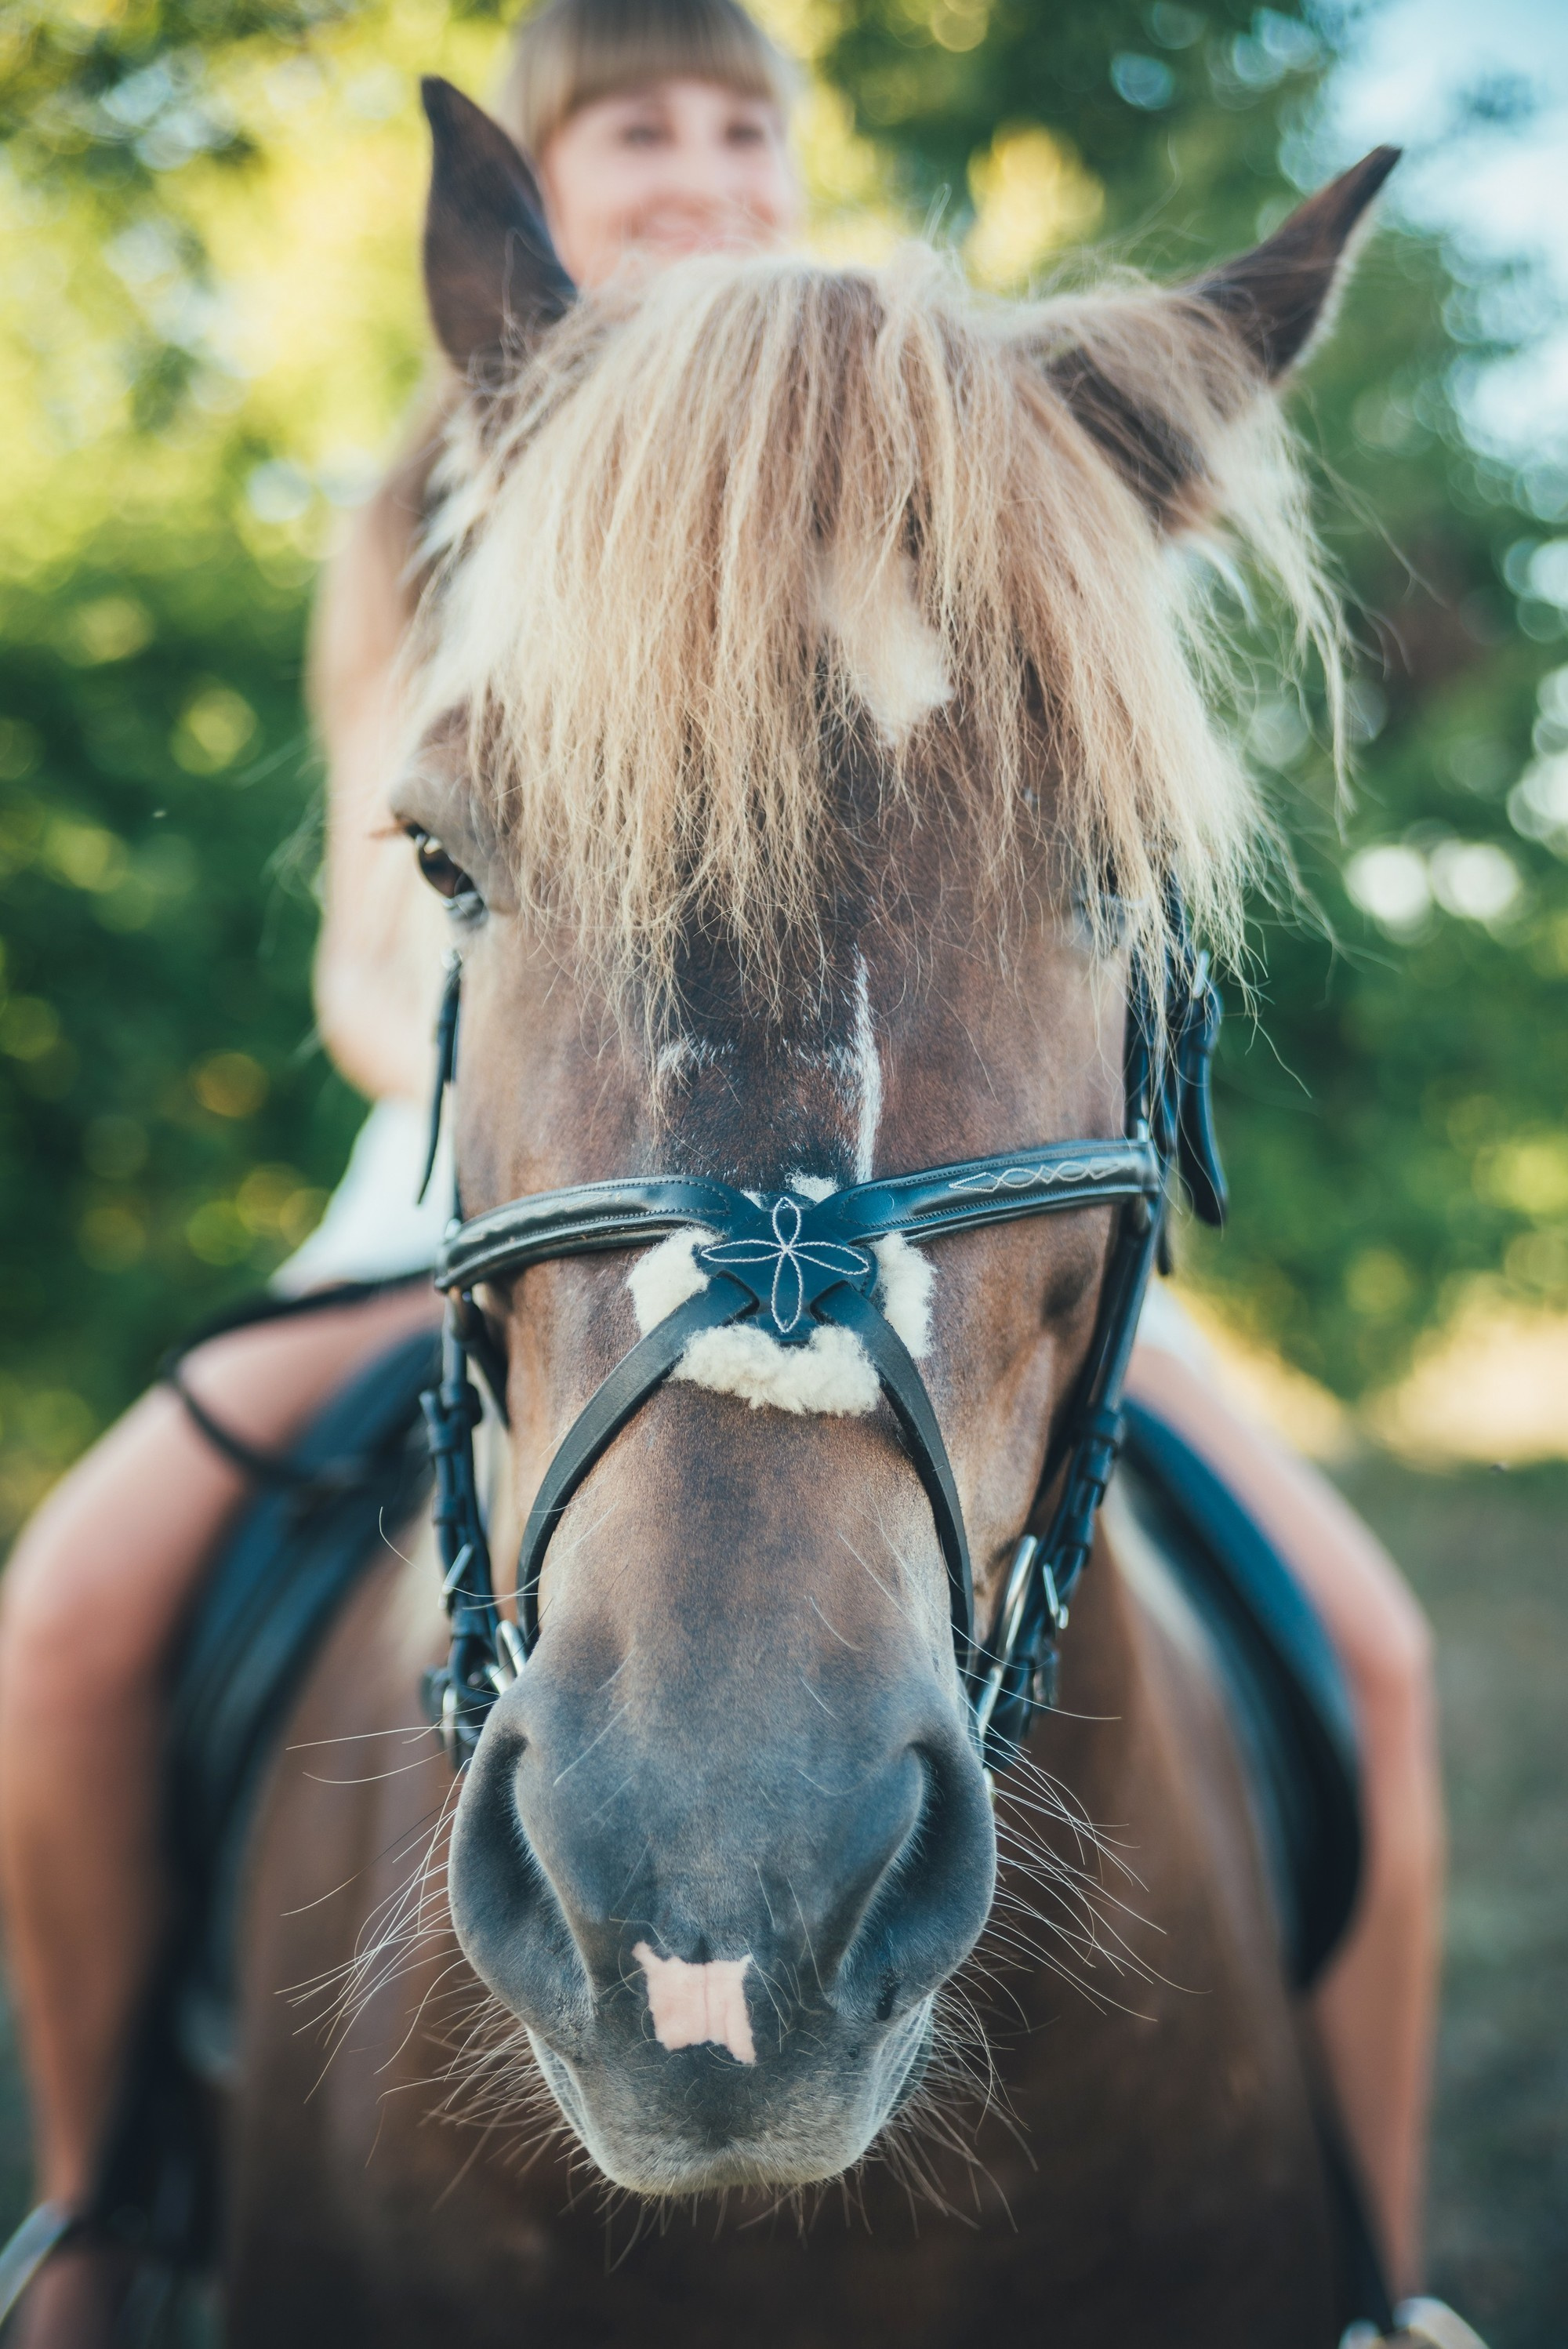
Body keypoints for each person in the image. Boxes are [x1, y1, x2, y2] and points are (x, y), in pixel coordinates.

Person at [0, 2, 1439, 2333]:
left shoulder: (953, 456)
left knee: (1368, 1653)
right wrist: (474, 1005)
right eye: (629, 126)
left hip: (922, 1197)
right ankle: (107, 2215)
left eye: (733, 123)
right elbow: (390, 952)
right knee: (66, 1618)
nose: (690, 164)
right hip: (500, 1170)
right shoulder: (457, 471)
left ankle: (1373, 2273)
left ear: (790, 162)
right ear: (543, 187)